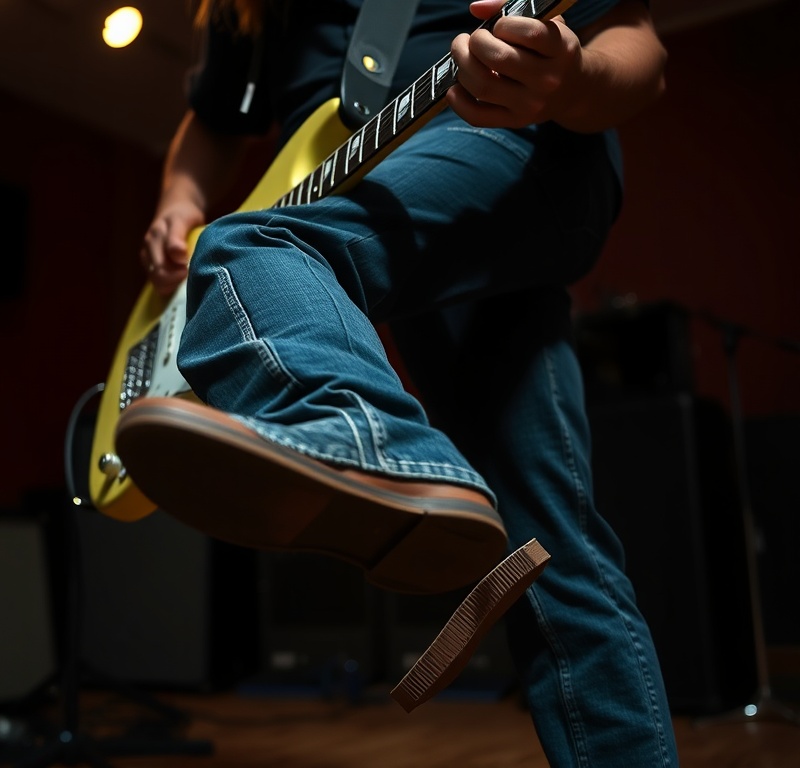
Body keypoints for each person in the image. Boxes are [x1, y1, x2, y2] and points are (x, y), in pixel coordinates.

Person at [119, 0, 677, 764]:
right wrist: (176, 200)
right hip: (377, 207)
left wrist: (569, 79)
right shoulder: (245, 12)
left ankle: (364, 434)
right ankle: (394, 455)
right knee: (550, 550)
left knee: (249, 248)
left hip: (502, 143)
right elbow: (212, 121)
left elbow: (637, 49)